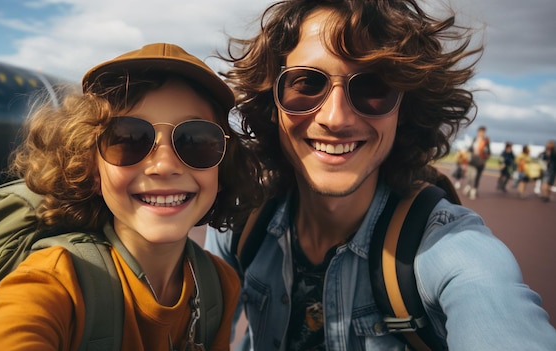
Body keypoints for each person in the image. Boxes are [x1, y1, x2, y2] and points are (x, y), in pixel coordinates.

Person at [204, 1, 556, 350]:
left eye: (372, 88)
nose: (336, 118)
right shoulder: (244, 223)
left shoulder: (445, 247)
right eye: (306, 83)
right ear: (272, 103)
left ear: (405, 109)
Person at [0, 43, 262, 350]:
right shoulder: (53, 281)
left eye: (197, 141)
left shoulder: (219, 284)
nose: (164, 166)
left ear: (222, 166)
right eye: (127, 139)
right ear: (91, 167)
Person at [464, 125, 491, 200]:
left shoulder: (486, 141)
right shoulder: (475, 139)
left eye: (483, 132)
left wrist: (483, 157)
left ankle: (473, 191)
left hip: (480, 162)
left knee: (477, 177)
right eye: (480, 131)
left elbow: (489, 152)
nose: (481, 133)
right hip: (472, 161)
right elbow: (470, 149)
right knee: (470, 175)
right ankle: (468, 186)